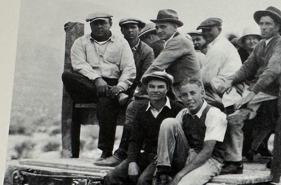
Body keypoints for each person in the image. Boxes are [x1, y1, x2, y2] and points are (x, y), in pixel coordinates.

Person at [78, 71, 179, 185]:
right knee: (112, 178)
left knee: (143, 183)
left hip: (165, 159)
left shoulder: (177, 109)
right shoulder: (142, 111)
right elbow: (134, 141)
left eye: (160, 87)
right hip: (146, 155)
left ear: (167, 89)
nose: (156, 90)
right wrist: (131, 161)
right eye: (152, 87)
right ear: (146, 89)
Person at [217, 6, 281, 174]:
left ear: (277, 26)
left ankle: (234, 161)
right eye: (261, 24)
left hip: (271, 91)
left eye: (268, 24)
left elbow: (273, 70)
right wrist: (230, 80)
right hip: (258, 89)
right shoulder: (261, 44)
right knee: (228, 111)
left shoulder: (280, 43)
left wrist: (251, 93)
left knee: (235, 117)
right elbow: (247, 68)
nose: (263, 27)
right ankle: (232, 157)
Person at [61, 11, 136, 161]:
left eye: (103, 23)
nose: (100, 26)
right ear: (91, 25)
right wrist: (97, 79)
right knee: (68, 75)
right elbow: (79, 64)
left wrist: (121, 87)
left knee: (105, 100)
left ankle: (106, 151)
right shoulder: (81, 42)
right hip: (87, 84)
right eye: (96, 23)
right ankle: (113, 94)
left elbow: (129, 68)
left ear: (110, 24)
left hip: (113, 84)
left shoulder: (121, 43)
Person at [94, 16, 156, 167]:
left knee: (134, 107)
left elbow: (145, 77)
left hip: (136, 91)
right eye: (126, 28)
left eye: (133, 27)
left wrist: (132, 93)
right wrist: (118, 90)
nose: (130, 31)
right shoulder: (116, 47)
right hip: (117, 88)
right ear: (121, 30)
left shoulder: (147, 51)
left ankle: (124, 152)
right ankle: (105, 150)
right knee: (104, 103)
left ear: (139, 29)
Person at [144, 9, 203, 93]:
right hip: (185, 90)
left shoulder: (178, 41)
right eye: (157, 27)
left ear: (175, 27)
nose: (159, 31)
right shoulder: (172, 41)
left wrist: (139, 88)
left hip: (189, 92)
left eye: (163, 27)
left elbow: (156, 66)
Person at [198, 17, 243, 112]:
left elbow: (207, 78)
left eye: (209, 30)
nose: (205, 33)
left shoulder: (217, 48)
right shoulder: (221, 44)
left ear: (219, 30)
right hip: (226, 88)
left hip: (226, 92)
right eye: (203, 30)